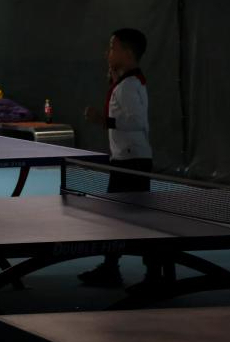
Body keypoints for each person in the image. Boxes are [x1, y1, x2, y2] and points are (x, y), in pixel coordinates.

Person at [78, 28, 156, 287]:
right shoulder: (127, 83)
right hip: (125, 159)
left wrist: (102, 119)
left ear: (128, 52)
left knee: (138, 220)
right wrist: (114, 79)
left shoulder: (129, 86)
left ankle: (154, 275)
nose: (107, 53)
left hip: (132, 163)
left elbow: (137, 122)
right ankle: (111, 268)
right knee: (117, 217)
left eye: (113, 48)